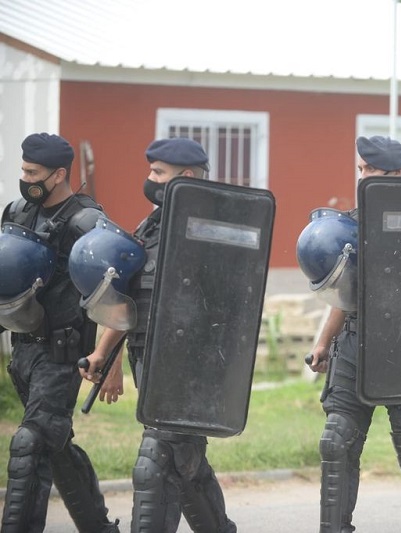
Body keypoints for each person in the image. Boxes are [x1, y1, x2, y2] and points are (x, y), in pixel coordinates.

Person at [304, 136, 401, 533]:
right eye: (359, 169)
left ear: (397, 174)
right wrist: (324, 342)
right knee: (336, 442)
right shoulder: (351, 224)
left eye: (370, 170)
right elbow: (346, 295)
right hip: (356, 343)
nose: (362, 177)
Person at [79, 138, 237, 532]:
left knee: (153, 465)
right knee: (185, 466)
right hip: (148, 360)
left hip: (189, 368)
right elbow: (130, 300)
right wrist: (105, 356)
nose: (149, 179)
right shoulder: (149, 226)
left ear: (184, 177)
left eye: (157, 173)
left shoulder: (213, 226)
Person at [1, 133, 120, 532]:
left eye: (32, 172)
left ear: (59, 175)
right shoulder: (16, 212)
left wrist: (110, 356)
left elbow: (114, 287)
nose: (25, 177)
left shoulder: (86, 221)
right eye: (23, 169)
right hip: (23, 352)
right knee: (54, 444)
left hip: (63, 353)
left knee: (30, 443)